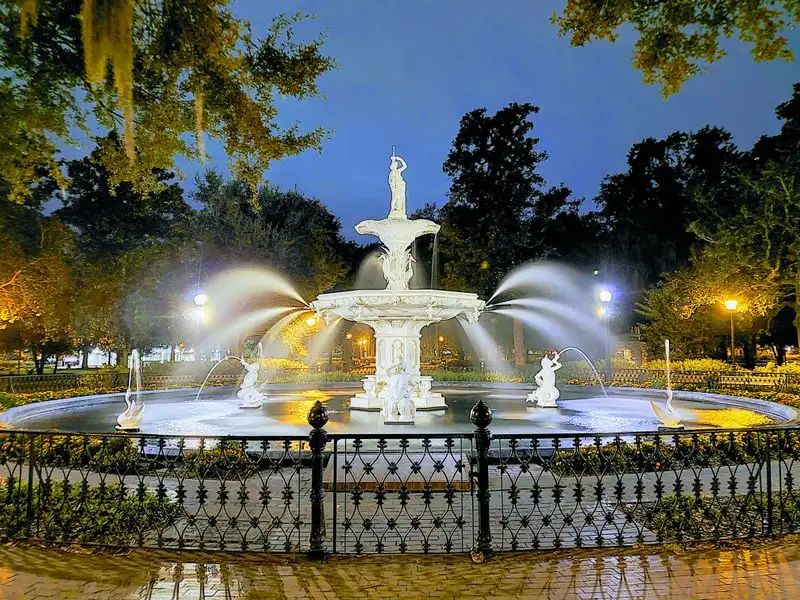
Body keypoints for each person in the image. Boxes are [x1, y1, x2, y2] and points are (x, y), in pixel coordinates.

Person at [388, 150, 408, 218]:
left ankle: (399, 210)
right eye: (394, 165)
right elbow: (390, 181)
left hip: (401, 185)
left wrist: (399, 159)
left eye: (396, 165)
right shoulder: (391, 173)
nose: (395, 166)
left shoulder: (398, 171)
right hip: (395, 187)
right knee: (394, 198)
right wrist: (393, 186)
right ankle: (393, 209)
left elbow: (405, 166)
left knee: (400, 198)